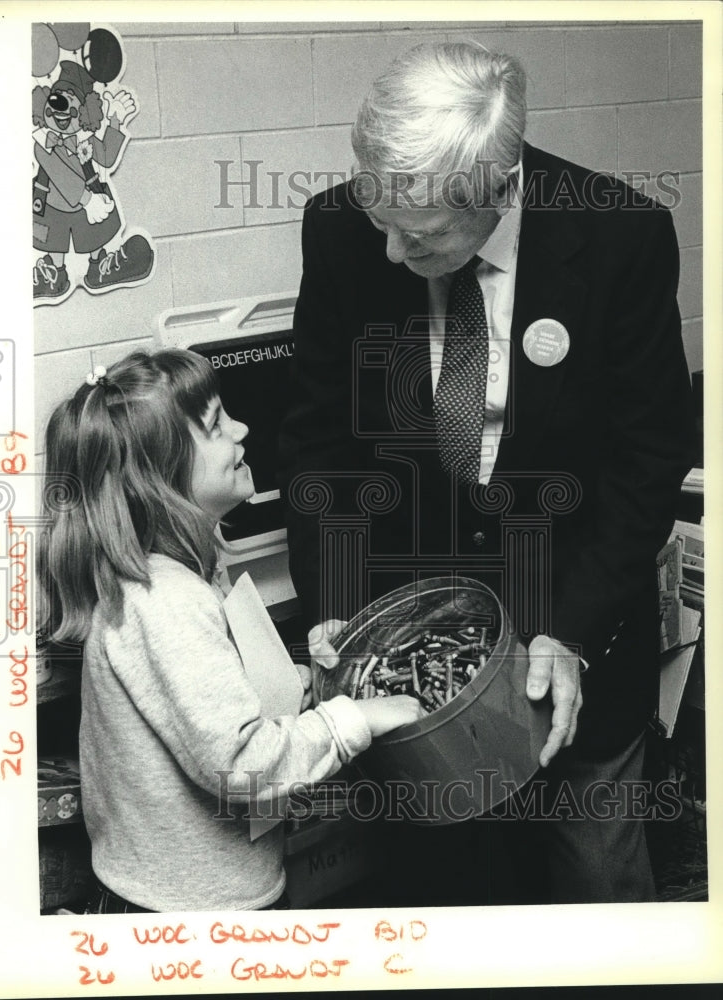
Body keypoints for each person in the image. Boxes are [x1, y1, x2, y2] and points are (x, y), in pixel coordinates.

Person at [278, 41, 696, 904]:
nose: (391, 254)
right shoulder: (338, 227)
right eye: (379, 218)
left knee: (597, 886)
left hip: (574, 624)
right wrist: (336, 613)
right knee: (451, 891)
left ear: (501, 190)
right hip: (418, 650)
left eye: (422, 238)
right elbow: (318, 443)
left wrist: (567, 630)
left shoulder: (621, 236)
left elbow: (647, 459)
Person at [37, 348, 421, 912]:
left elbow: (205, 707)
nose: (241, 429)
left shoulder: (179, 573)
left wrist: (293, 682)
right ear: (162, 474)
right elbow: (241, 766)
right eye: (217, 425)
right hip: (190, 915)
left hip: (190, 894)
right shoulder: (165, 599)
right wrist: (353, 720)